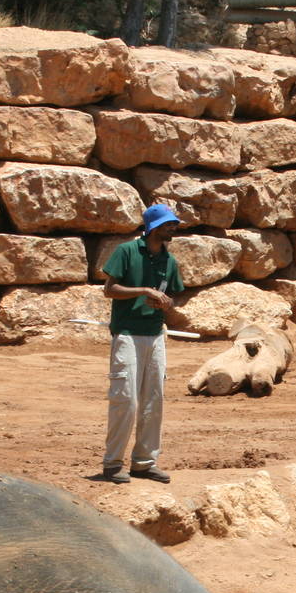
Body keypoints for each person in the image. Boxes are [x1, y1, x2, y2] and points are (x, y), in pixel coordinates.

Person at [99, 203, 185, 484]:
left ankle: (145, 463)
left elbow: (174, 296)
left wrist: (166, 303)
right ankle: (112, 464)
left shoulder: (169, 261)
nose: (173, 228)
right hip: (127, 334)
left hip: (156, 334)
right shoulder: (126, 251)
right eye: (168, 224)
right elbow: (109, 289)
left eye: (174, 224)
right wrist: (143, 291)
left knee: (153, 400)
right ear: (152, 227)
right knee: (125, 399)